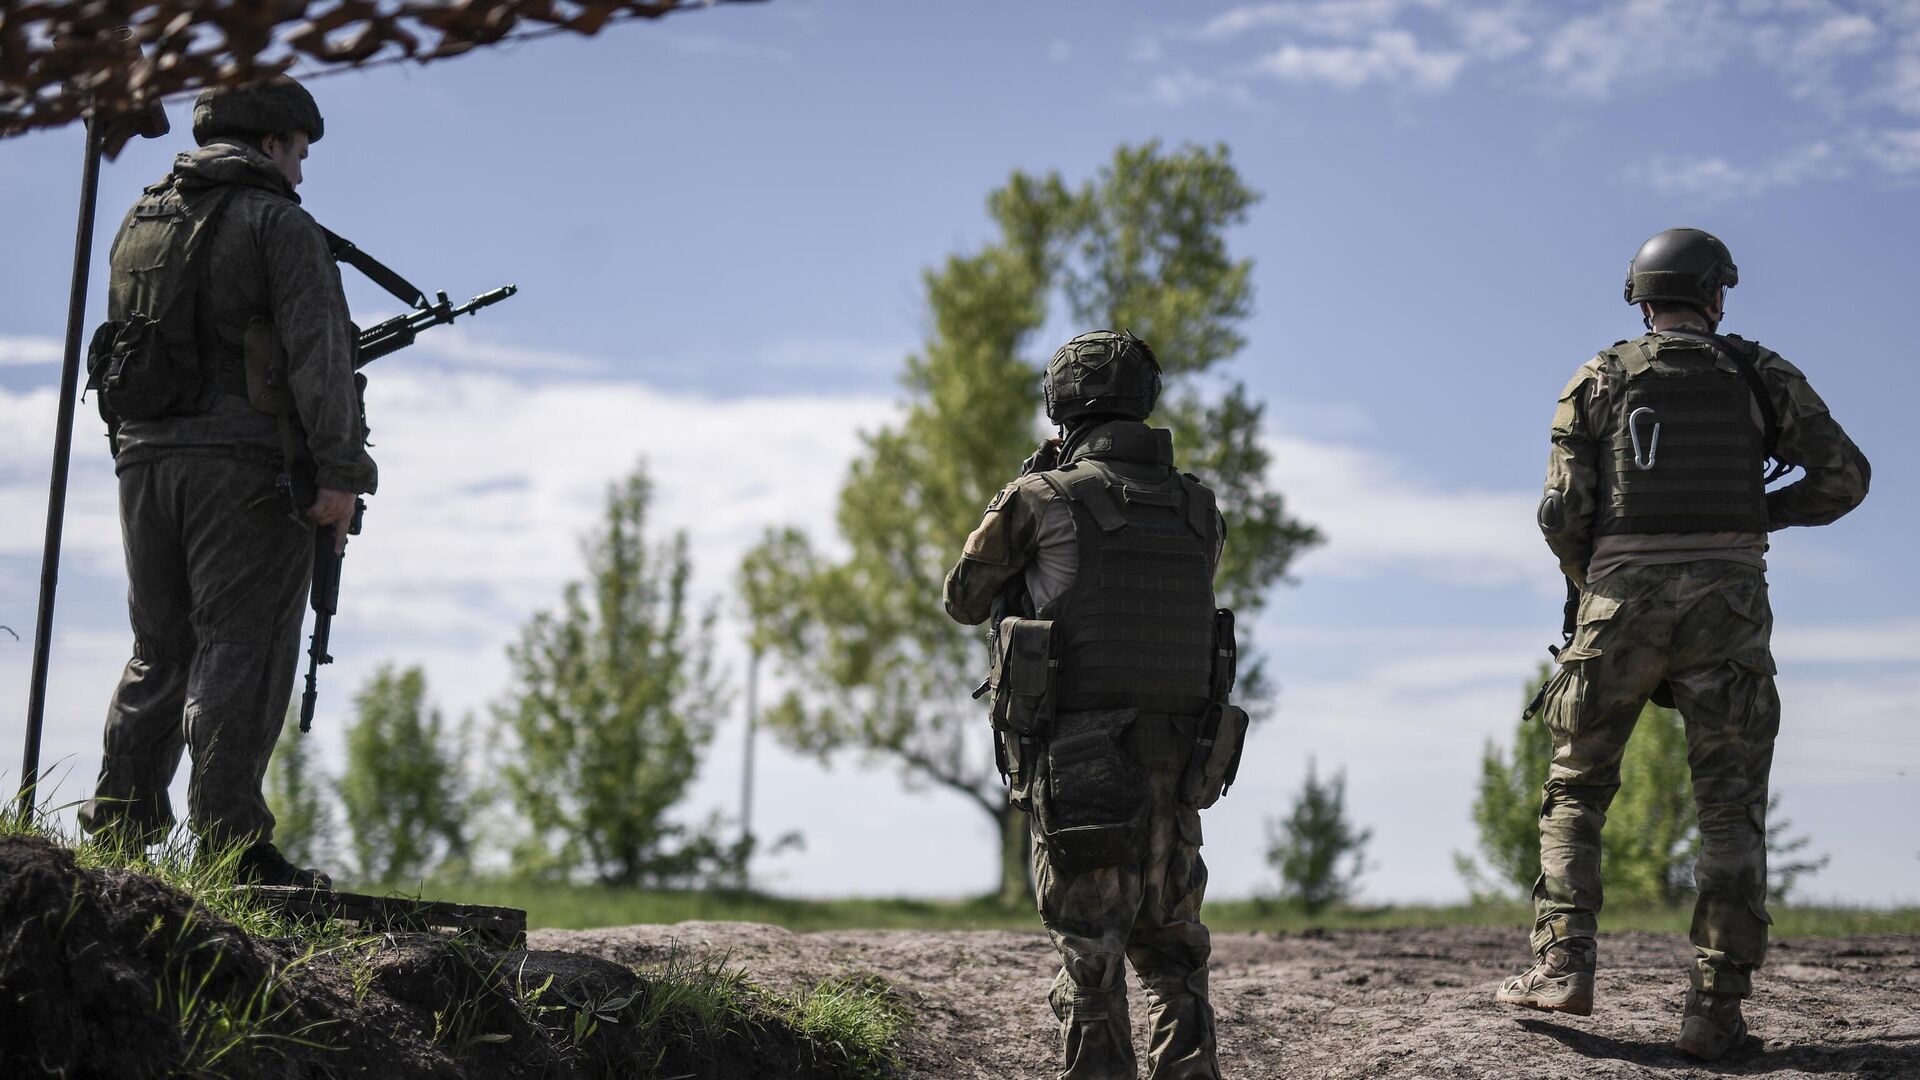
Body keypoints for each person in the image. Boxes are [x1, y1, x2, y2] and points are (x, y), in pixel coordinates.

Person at [1497, 228, 1870, 1059]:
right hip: (1729, 609)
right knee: (1729, 810)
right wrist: (1750, 518)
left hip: (1616, 603)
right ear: (1716, 296)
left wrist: (1593, 579)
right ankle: (1715, 1010)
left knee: (1576, 786)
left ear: (1639, 298)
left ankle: (1563, 962)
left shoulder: (1595, 379)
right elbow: (1845, 476)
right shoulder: (1759, 375)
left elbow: (1562, 516)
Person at [77, 77, 375, 888]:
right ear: (272, 142)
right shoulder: (278, 223)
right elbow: (321, 357)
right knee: (242, 648)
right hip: (243, 467)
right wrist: (341, 474)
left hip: (142, 459)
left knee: (158, 650)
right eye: (300, 153)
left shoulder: (139, 221)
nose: (303, 174)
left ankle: (116, 835)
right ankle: (232, 848)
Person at [945, 330, 1240, 1080]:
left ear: (1061, 404)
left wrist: (1020, 489)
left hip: (1081, 757)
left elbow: (963, 598)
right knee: (1174, 944)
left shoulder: (1039, 499)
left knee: (1091, 951)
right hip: (1183, 756)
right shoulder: (1200, 507)